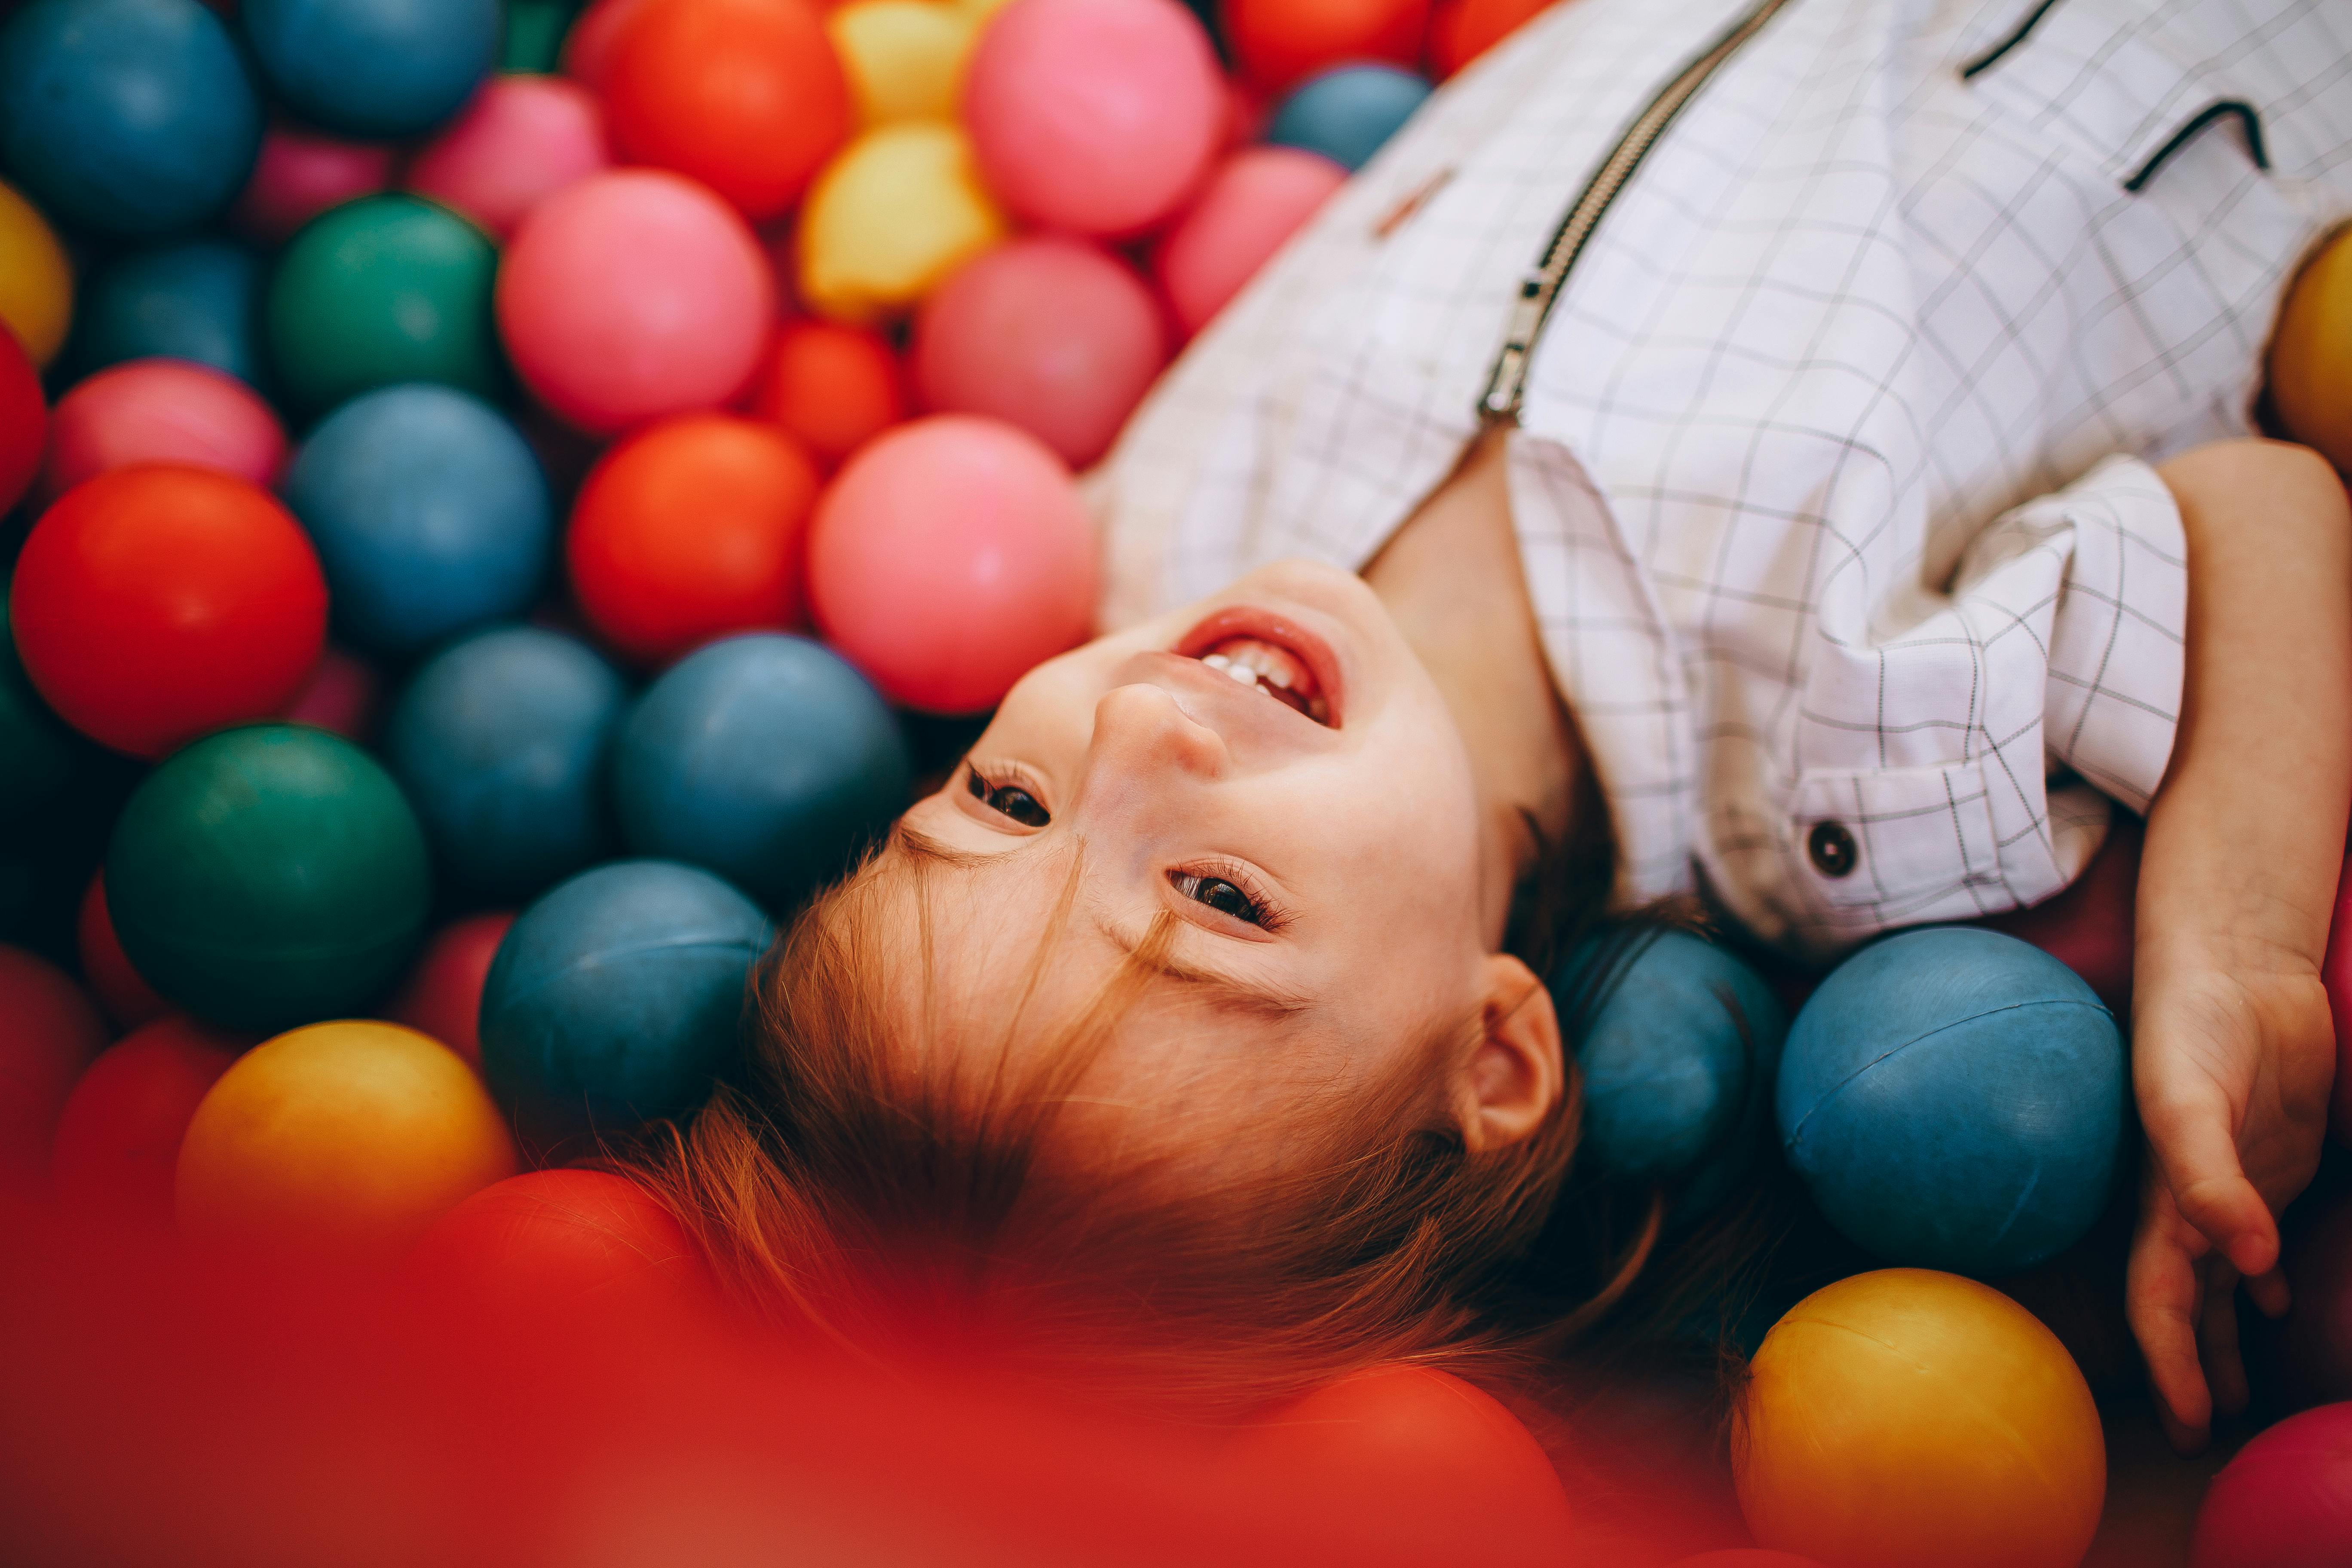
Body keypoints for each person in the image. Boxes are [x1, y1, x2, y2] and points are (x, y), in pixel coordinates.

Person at [640, 0, 2352, 1446]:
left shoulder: (1151, 522)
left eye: (1006, 802)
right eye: (1222, 903)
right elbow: (2255, 508)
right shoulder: (1838, 782)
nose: (1143, 741)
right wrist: (2241, 953)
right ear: (1494, 1053)